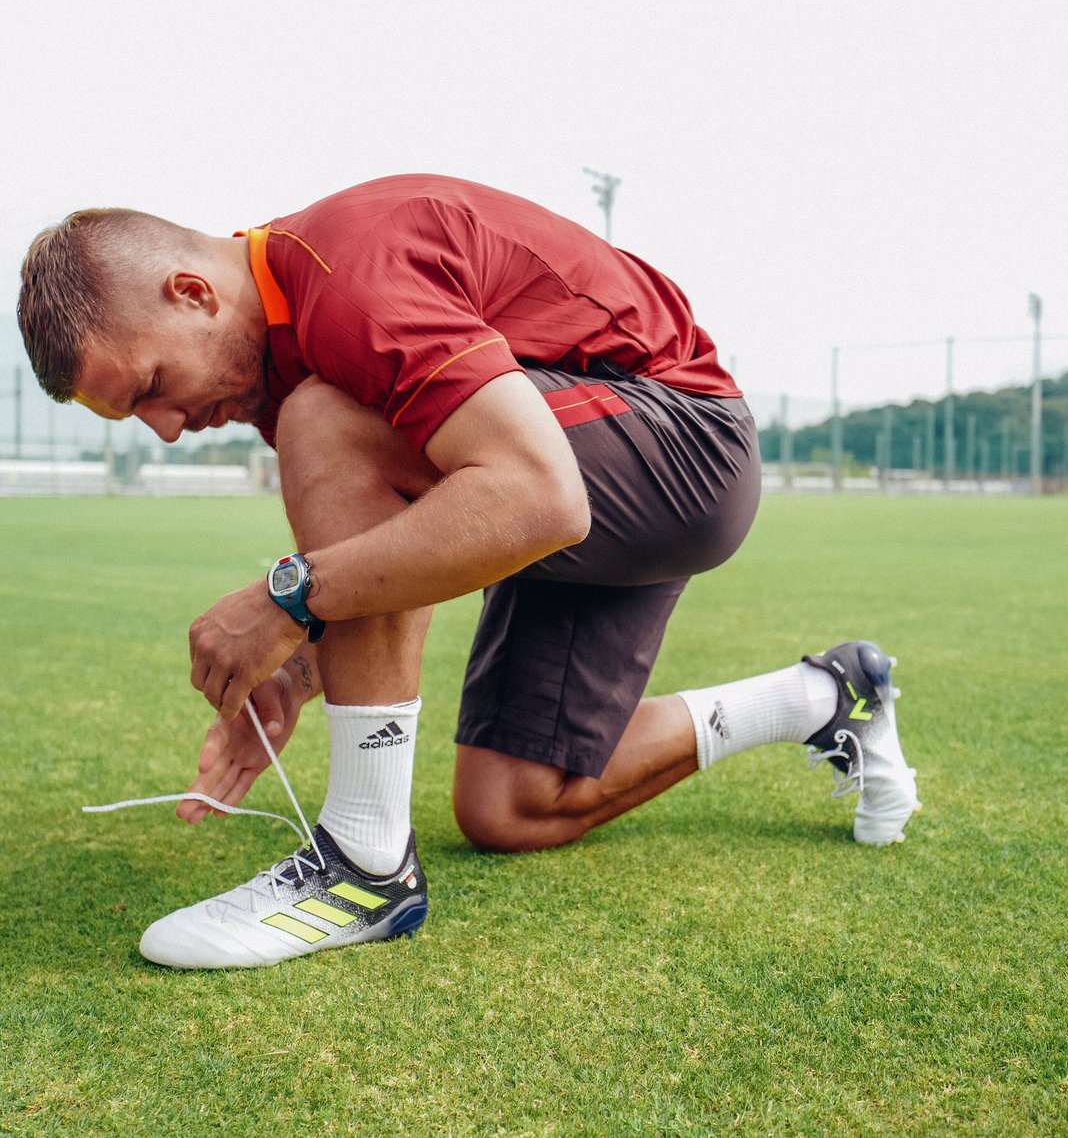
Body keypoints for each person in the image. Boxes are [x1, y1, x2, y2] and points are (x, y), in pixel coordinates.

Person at [18, 174, 919, 969]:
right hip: (571, 462)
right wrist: (296, 668)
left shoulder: (348, 274)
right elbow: (408, 542)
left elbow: (538, 498)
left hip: (679, 443)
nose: (167, 429)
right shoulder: (274, 354)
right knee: (513, 805)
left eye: (149, 389)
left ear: (191, 294)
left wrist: (286, 598)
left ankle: (364, 865)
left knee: (325, 419)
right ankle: (821, 696)